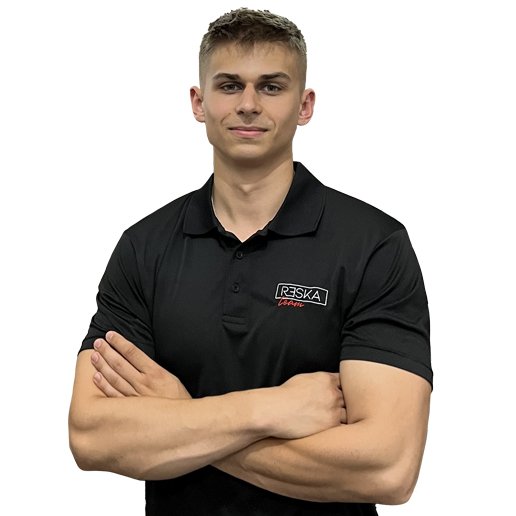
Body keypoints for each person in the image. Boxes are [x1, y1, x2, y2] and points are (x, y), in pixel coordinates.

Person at [68, 8, 432, 516]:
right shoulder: (144, 247)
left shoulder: (373, 245)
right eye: (229, 85)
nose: (248, 104)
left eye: (271, 86)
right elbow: (91, 437)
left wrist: (181, 416)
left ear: (304, 105)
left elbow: (388, 468)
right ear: (199, 102)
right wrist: (270, 410)